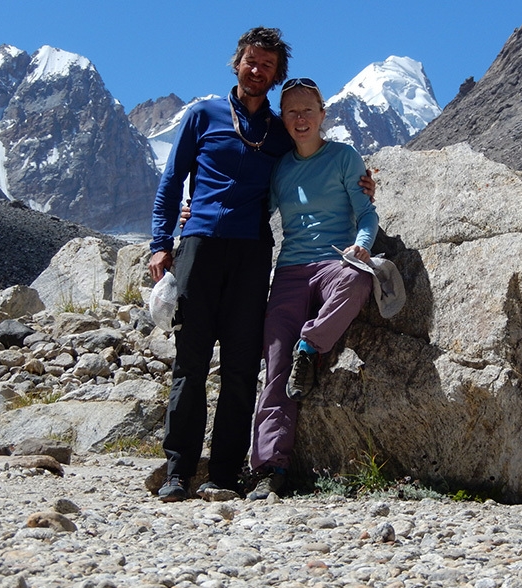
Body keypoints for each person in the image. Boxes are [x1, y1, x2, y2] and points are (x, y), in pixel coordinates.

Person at [149, 28, 374, 502]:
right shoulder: (203, 115)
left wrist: (365, 185)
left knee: (239, 366)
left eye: (267, 66)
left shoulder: (278, 132)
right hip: (200, 247)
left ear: (277, 75)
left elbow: (312, 175)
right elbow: (171, 182)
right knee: (190, 362)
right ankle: (178, 470)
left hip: (252, 254)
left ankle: (225, 475)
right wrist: (160, 242)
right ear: (237, 63)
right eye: (251, 61)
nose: (257, 71)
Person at [247, 77, 379, 501]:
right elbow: (255, 209)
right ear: (282, 119)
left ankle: (312, 346)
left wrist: (361, 247)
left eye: (308, 111)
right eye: (292, 112)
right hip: (289, 272)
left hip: (335, 262)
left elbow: (366, 214)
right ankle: (270, 469)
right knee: (273, 370)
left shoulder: (344, 157)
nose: (300, 119)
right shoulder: (279, 166)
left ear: (323, 114)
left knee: (359, 280)